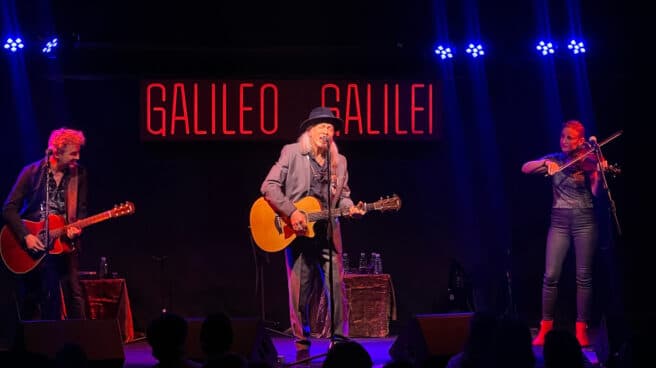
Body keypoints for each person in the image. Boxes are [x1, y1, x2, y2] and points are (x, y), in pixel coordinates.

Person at [260, 106, 366, 357]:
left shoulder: (340, 162)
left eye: (330, 127)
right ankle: (302, 345)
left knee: (337, 287)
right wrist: (291, 211)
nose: (327, 131)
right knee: (300, 293)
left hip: (329, 232)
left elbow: (344, 197)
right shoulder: (292, 153)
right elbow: (269, 186)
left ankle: (340, 342)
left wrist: (351, 209)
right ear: (310, 130)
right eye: (322, 126)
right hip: (297, 232)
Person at [521, 120, 607, 347]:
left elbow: (597, 195)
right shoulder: (556, 158)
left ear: (580, 141)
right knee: (550, 275)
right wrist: (546, 163)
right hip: (558, 221)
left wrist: (597, 174)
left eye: (570, 138)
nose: (564, 141)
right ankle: (545, 328)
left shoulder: (588, 160)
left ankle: (581, 329)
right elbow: (525, 168)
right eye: (562, 136)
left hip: (584, 219)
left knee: (583, 277)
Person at [2, 127, 87, 320]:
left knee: (75, 295)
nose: (78, 157)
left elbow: (80, 211)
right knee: (35, 297)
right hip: (35, 246)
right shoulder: (31, 172)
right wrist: (26, 236)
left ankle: (78, 344)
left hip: (64, 244)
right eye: (73, 153)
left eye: (79, 152)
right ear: (57, 152)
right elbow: (9, 208)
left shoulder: (79, 175)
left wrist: (77, 229)